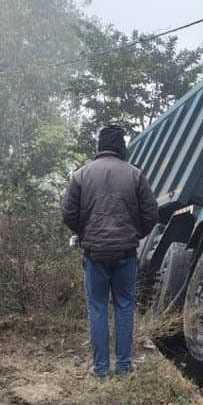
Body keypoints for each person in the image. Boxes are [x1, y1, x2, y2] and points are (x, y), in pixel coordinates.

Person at [61, 125, 158, 378]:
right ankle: (124, 365)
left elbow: (68, 213)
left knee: (97, 307)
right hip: (125, 252)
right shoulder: (135, 174)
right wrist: (134, 234)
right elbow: (151, 214)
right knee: (124, 306)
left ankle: (101, 368)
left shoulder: (81, 175)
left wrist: (85, 233)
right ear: (121, 147)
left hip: (94, 253)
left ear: (99, 147)